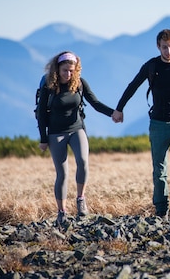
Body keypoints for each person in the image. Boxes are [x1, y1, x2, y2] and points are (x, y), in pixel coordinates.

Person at [112, 29, 170, 219]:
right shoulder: (151, 66)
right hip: (158, 122)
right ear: (158, 46)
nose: (168, 51)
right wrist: (119, 108)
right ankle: (161, 206)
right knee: (159, 168)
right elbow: (133, 85)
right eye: (165, 47)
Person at [37, 51, 116, 227]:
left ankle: (81, 199)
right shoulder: (48, 87)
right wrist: (43, 138)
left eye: (72, 71)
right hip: (56, 133)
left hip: (76, 129)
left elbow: (95, 103)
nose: (68, 74)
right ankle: (62, 212)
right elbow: (41, 114)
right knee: (62, 174)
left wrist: (114, 113)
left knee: (83, 162)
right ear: (57, 69)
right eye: (65, 70)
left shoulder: (79, 83)